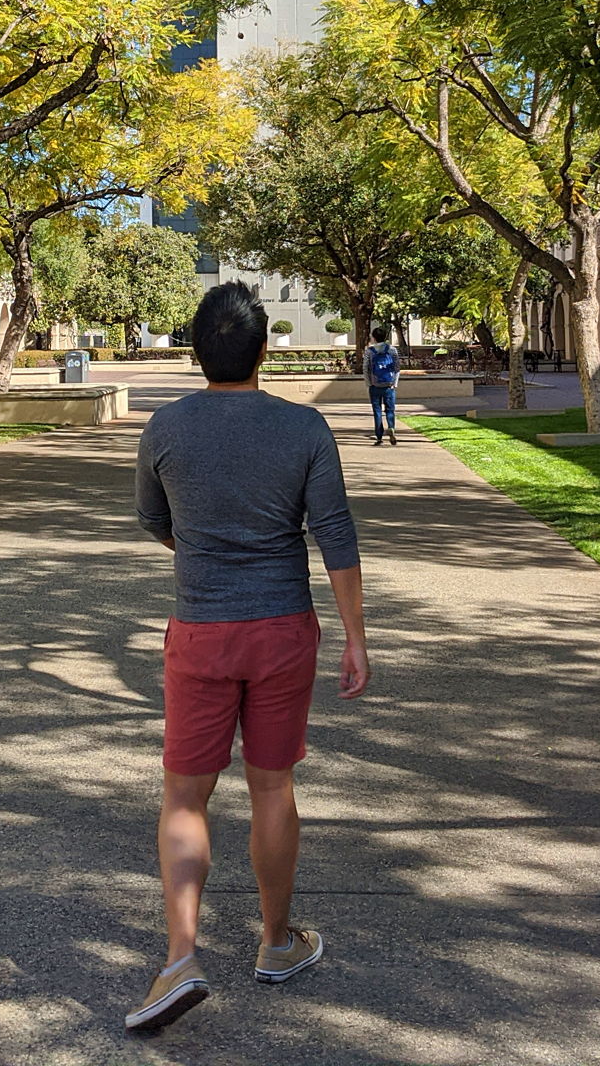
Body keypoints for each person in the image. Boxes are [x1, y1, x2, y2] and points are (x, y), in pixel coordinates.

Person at [126, 280, 370, 1034]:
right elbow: (335, 533)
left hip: (200, 630)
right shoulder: (304, 428)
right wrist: (356, 636)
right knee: (272, 787)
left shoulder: (166, 427)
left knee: (184, 797)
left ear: (197, 352)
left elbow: (152, 518)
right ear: (264, 350)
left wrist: (203, 551)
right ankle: (274, 942)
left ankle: (180, 959)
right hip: (282, 630)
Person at [364, 324, 400, 446]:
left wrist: (369, 383)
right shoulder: (392, 350)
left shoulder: (369, 351)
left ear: (374, 338)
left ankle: (379, 436)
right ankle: (391, 427)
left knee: (377, 410)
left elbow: (366, 369)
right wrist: (394, 383)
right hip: (389, 385)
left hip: (375, 386)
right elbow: (397, 368)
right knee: (390, 410)